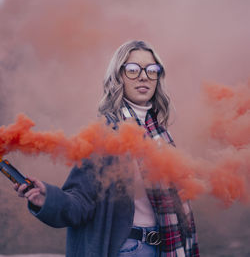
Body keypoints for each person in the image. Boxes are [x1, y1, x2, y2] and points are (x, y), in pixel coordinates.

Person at [15, 40, 199, 257]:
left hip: (166, 248)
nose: (143, 76)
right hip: (129, 250)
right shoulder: (105, 135)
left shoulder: (161, 134)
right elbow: (80, 202)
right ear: (118, 77)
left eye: (152, 70)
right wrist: (48, 199)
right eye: (132, 69)